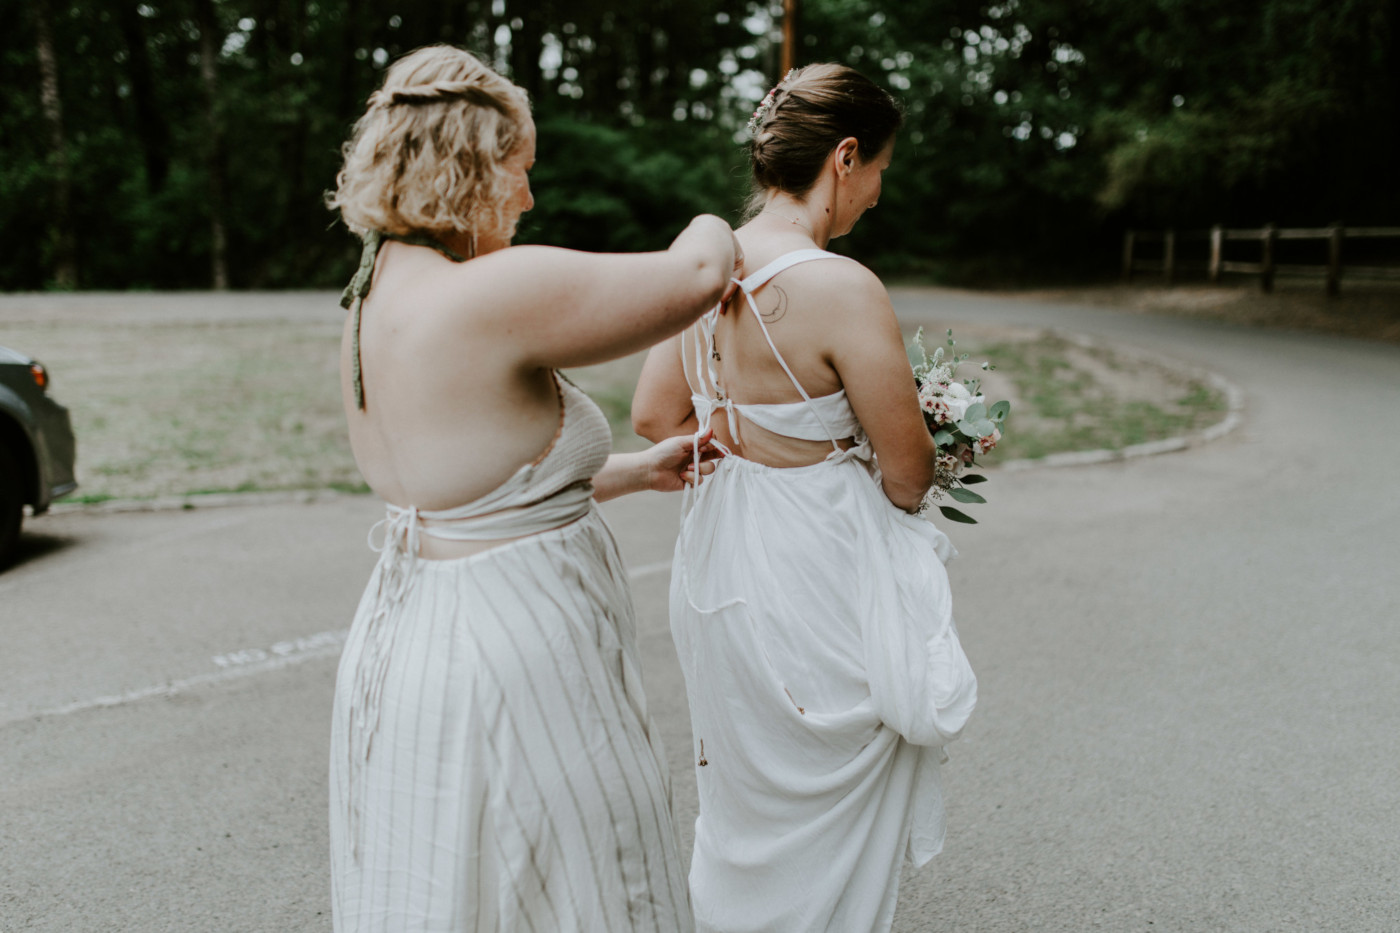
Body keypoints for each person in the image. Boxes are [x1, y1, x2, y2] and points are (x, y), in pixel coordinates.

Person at [324, 45, 739, 932]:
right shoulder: (492, 291)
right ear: (471, 162)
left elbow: (466, 481)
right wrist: (730, 211)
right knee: (588, 881)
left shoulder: (371, 290)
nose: (529, 196)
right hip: (513, 659)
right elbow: (699, 275)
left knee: (469, 886)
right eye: (521, 169)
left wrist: (626, 472)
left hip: (414, 642)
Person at [632, 63, 978, 933]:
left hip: (718, 548)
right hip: (813, 555)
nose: (878, 196)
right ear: (845, 156)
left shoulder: (704, 264)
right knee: (835, 762)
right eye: (881, 172)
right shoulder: (842, 286)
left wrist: (739, 430)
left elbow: (651, 415)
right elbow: (907, 474)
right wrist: (928, 439)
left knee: (744, 779)